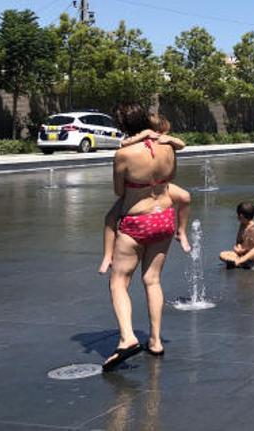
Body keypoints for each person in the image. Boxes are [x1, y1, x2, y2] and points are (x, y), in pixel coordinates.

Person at [102, 102, 178, 372]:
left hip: (136, 221)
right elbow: (171, 177)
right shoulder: (168, 147)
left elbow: (117, 190)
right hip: (165, 217)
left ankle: (128, 337)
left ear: (123, 126)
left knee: (119, 281)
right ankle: (156, 340)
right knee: (152, 279)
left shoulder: (124, 154)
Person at [98, 116, 191, 275]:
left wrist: (165, 138)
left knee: (185, 197)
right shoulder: (145, 140)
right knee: (110, 218)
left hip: (146, 193)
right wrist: (144, 135)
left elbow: (182, 144)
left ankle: (182, 231)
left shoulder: (163, 141)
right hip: (159, 192)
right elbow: (124, 143)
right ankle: (107, 256)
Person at [219, 202, 254, 269]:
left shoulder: (252, 227)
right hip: (243, 254)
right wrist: (237, 247)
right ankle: (240, 263)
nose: (237, 217)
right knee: (222, 254)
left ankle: (240, 261)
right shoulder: (242, 224)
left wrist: (242, 251)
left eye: (238, 215)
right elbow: (238, 241)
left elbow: (253, 247)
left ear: (241, 216)